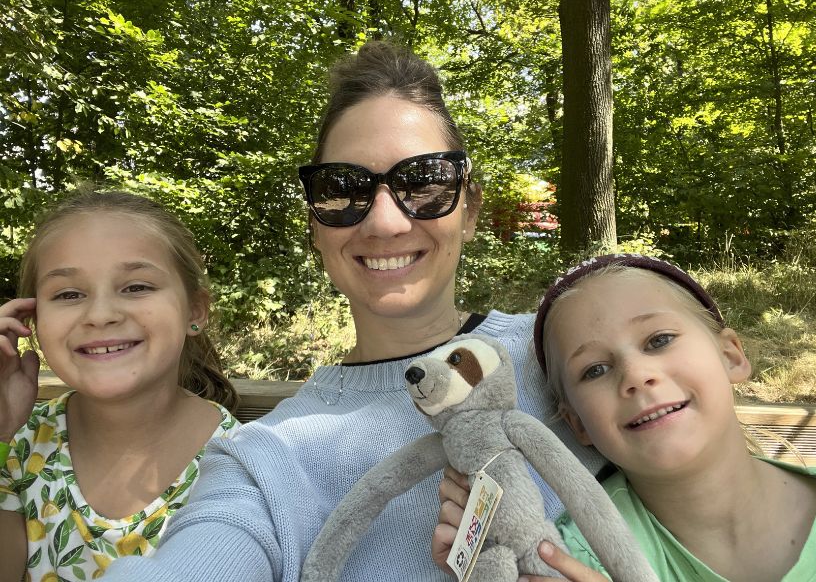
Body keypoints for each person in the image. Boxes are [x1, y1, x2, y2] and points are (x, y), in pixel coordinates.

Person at [101, 40, 606, 582]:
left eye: (424, 181)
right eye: (343, 190)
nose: (385, 222)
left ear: (469, 210)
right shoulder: (269, 458)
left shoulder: (572, 353)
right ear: (316, 227)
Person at [436, 253, 816, 581]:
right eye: (595, 370)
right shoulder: (573, 557)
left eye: (659, 340)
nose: (636, 375)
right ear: (579, 424)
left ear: (731, 357)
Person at [0, 190, 241, 582]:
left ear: (195, 310)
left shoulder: (239, 464)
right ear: (33, 321)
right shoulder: (19, 446)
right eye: (69, 294)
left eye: (136, 287)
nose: (100, 315)